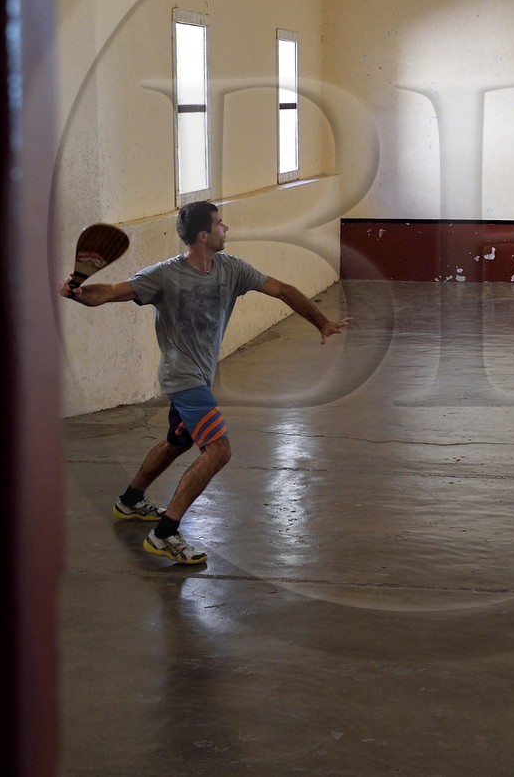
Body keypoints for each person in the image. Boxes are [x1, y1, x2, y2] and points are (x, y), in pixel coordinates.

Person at [61, 200, 351, 564]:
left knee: (177, 442)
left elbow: (282, 290)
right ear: (203, 235)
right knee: (218, 450)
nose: (226, 228)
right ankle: (164, 534)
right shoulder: (164, 275)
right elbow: (110, 292)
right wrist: (78, 291)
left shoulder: (231, 269)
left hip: (199, 375)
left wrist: (321, 322)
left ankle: (130, 501)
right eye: (220, 224)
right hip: (182, 378)